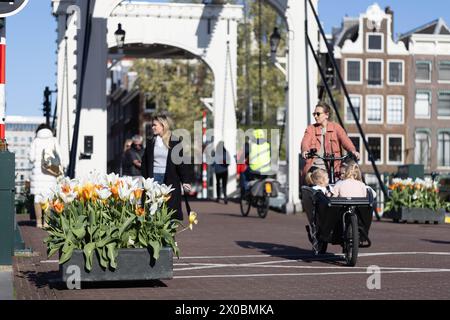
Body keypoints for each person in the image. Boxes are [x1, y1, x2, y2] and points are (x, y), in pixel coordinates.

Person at [141, 114, 193, 220]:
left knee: (168, 208)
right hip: (153, 179)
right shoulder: (151, 141)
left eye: (155, 125)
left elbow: (181, 163)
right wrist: (146, 180)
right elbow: (145, 162)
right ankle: (155, 233)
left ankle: (167, 233)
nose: (152, 127)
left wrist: (186, 181)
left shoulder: (174, 141)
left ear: (163, 125)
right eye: (152, 125)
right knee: (153, 207)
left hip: (169, 178)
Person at [301, 102, 360, 185]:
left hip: (334, 167)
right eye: (314, 114)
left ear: (326, 115)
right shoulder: (311, 129)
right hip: (317, 167)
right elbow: (305, 142)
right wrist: (305, 151)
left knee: (348, 178)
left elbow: (346, 140)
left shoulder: (336, 128)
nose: (315, 116)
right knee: (318, 180)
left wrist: (353, 151)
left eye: (318, 114)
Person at [29, 124, 65, 228]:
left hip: (38, 175)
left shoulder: (35, 141)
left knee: (37, 198)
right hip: (50, 173)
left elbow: (31, 158)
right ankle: (47, 222)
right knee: (49, 197)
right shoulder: (53, 140)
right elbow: (59, 157)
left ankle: (38, 222)